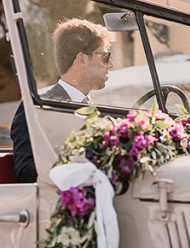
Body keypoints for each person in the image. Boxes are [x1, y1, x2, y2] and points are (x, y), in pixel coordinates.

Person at [10, 19, 113, 182]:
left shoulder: (104, 111)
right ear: (82, 59)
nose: (111, 64)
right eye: (106, 56)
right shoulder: (38, 107)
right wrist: (80, 176)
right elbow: (27, 170)